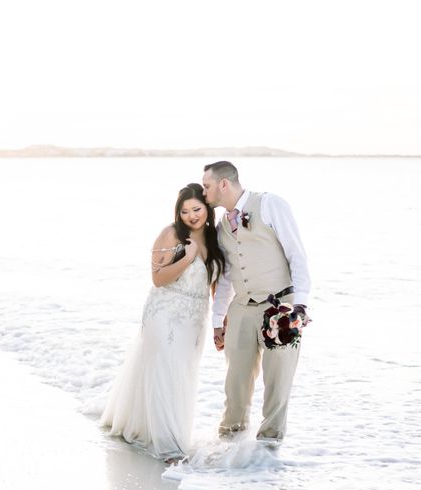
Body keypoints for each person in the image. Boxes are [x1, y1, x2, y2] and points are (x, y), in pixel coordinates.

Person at [100, 183, 225, 463]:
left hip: (195, 319)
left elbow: (216, 285)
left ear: (207, 209)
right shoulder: (170, 234)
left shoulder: (214, 238)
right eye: (185, 211)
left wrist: (221, 321)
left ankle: (166, 431)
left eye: (196, 209)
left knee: (181, 375)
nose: (191, 216)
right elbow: (158, 278)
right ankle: (169, 448)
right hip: (164, 313)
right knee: (165, 371)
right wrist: (189, 257)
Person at [202, 161, 311, 446]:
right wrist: (217, 320)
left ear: (223, 184)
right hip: (241, 308)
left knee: (277, 384)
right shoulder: (222, 225)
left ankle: (266, 456)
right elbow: (226, 276)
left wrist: (299, 306)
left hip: (280, 306)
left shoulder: (270, 205)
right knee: (235, 383)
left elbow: (297, 255)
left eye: (207, 186)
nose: (204, 193)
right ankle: (228, 447)